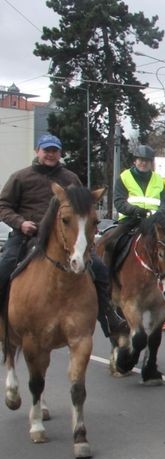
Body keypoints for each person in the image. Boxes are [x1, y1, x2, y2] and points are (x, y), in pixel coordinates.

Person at [0, 133, 122, 336]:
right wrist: (21, 223)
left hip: (65, 238)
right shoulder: (20, 177)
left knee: (100, 269)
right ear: (37, 151)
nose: (50, 155)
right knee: (5, 267)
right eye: (46, 150)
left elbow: (83, 208)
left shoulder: (70, 178)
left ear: (60, 153)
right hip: (28, 235)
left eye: (54, 151)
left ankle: (109, 316)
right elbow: (3, 206)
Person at [107, 144, 165, 330]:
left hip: (153, 223)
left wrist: (157, 215)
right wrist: (136, 210)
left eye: (146, 161)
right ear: (135, 161)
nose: (143, 163)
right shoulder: (125, 177)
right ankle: (106, 282)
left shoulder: (158, 179)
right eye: (140, 160)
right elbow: (119, 201)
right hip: (130, 221)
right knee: (110, 243)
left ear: (151, 163)